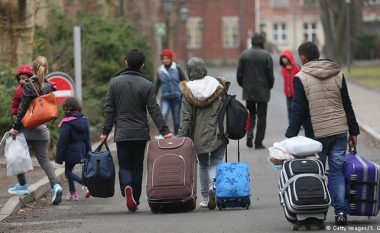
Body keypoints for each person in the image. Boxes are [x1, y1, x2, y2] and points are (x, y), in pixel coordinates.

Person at [285, 42, 360, 226]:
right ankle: (341, 213)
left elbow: (299, 110)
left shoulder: (300, 77)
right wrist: (354, 131)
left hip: (316, 135)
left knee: (315, 174)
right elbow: (347, 104)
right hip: (339, 131)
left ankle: (317, 213)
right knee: (336, 173)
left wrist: (290, 136)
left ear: (302, 58)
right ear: (318, 55)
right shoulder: (337, 72)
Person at [100, 49, 172, 212]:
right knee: (137, 165)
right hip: (140, 132)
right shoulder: (147, 84)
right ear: (142, 65)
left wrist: (105, 130)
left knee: (124, 164)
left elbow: (109, 108)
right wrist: (165, 130)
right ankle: (136, 199)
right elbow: (154, 109)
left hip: (122, 132)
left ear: (126, 63)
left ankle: (127, 187)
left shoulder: (114, 82)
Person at [8, 56, 63, 205]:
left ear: (32, 68)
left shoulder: (28, 85)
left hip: (26, 129)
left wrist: (15, 127)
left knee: (16, 155)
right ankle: (56, 186)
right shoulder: (48, 84)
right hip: (42, 130)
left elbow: (23, 108)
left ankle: (22, 185)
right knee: (44, 160)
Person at [177, 57, 229, 209]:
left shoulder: (188, 91)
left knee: (204, 165)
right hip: (219, 131)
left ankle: (206, 197)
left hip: (198, 135)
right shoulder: (217, 85)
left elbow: (186, 117)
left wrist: (180, 138)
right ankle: (215, 188)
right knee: (217, 162)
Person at [237, 33, 274, 149]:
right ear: (262, 42)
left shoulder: (244, 55)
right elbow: (270, 75)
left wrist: (244, 85)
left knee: (251, 114)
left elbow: (239, 74)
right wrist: (269, 86)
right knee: (262, 117)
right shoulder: (266, 56)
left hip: (248, 89)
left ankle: (249, 135)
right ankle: (258, 142)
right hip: (263, 90)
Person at [55, 97, 91, 201]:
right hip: (82, 150)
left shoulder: (66, 122)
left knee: (68, 172)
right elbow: (87, 139)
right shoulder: (84, 120)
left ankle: (85, 183)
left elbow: (62, 141)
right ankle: (73, 194)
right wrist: (89, 153)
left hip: (70, 151)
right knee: (69, 170)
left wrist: (59, 157)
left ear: (67, 108)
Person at [155, 49, 187, 135]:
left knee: (176, 119)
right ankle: (162, 135)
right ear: (162, 59)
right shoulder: (160, 70)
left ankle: (177, 135)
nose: (165, 60)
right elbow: (158, 84)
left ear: (171, 59)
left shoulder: (177, 68)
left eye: (167, 58)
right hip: (165, 97)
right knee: (163, 116)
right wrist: (154, 95)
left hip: (176, 97)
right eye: (164, 58)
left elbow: (183, 80)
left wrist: (185, 93)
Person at [279, 50, 300, 123]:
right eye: (282, 58)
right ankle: (291, 123)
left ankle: (298, 123)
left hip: (295, 92)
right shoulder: (283, 69)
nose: (284, 60)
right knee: (289, 109)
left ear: (289, 58)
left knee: (294, 108)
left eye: (285, 58)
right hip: (287, 93)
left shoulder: (296, 68)